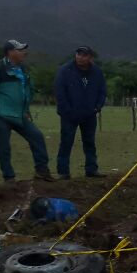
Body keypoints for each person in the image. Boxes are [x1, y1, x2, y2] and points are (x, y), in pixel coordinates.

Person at [0, 39, 54, 182]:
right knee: (4, 146)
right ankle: (9, 177)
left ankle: (42, 171)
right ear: (10, 52)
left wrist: (26, 109)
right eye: (19, 50)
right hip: (1, 115)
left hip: (19, 114)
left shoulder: (23, 69)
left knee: (36, 136)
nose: (23, 52)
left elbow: (27, 91)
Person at [54, 45, 107, 179]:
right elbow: (59, 92)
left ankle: (91, 169)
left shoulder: (97, 72)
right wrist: (66, 111)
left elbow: (102, 91)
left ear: (90, 57)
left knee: (89, 142)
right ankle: (63, 172)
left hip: (89, 114)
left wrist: (97, 107)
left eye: (84, 55)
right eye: (78, 54)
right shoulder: (65, 70)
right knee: (66, 142)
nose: (80, 57)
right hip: (69, 115)